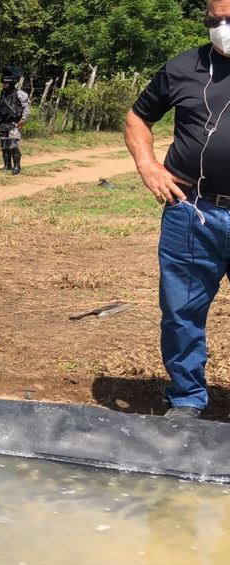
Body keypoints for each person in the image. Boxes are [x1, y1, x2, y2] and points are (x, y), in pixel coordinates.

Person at [125, 0, 230, 420]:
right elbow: (137, 119)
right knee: (181, 311)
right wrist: (149, 167)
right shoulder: (183, 67)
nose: (222, 27)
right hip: (192, 211)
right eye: (214, 19)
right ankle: (187, 397)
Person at [0, 66, 30, 175]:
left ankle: (17, 166)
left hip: (14, 124)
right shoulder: (1, 95)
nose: (3, 85)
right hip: (3, 124)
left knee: (13, 145)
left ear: (11, 83)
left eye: (5, 83)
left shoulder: (20, 95)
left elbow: (26, 108)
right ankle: (7, 165)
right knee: (4, 146)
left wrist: (22, 120)